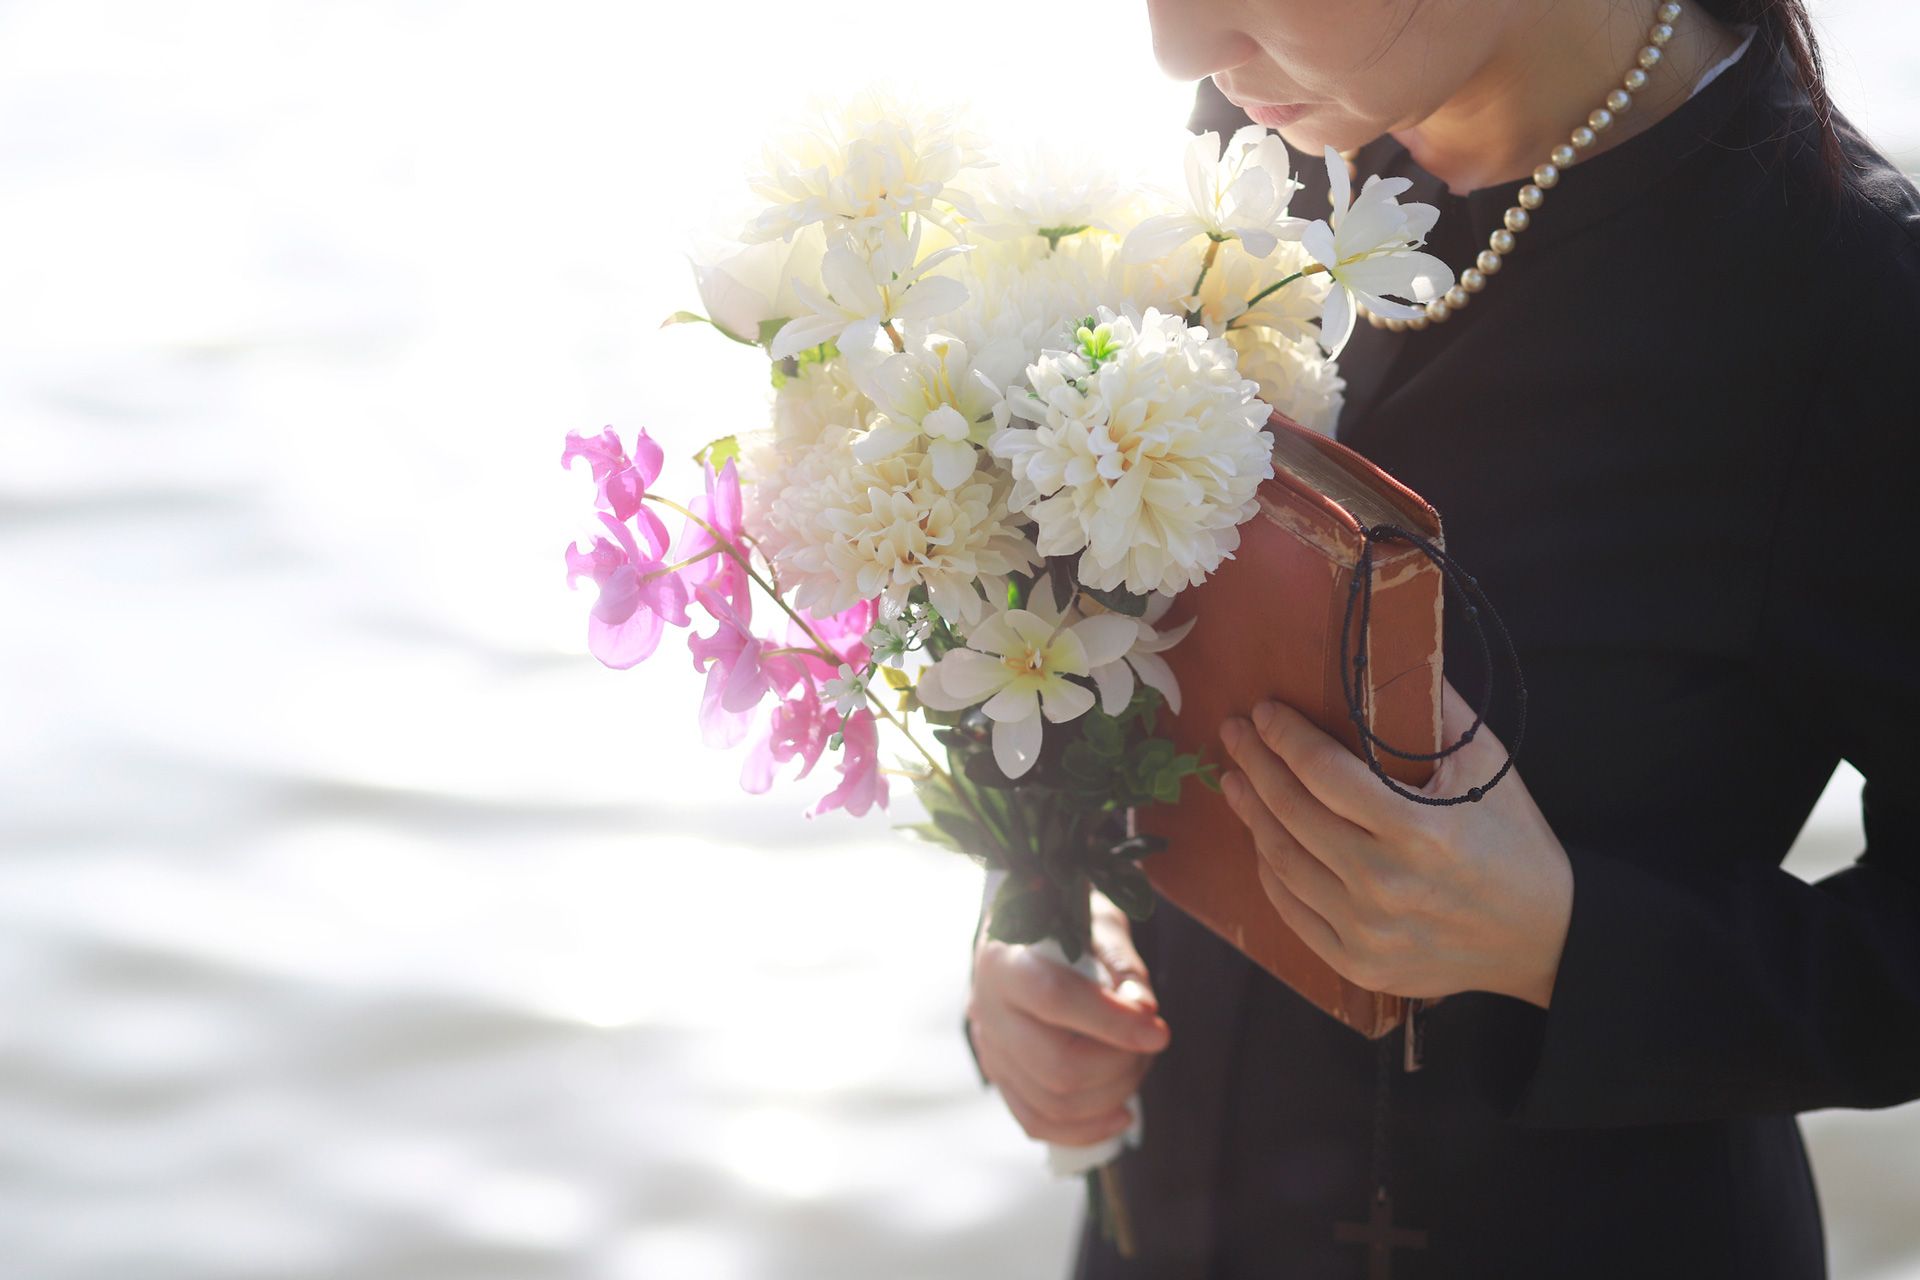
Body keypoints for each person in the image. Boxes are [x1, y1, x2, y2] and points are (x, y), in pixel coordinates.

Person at [963, 0, 1920, 1275]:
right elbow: (1091, 624)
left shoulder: (1853, 299)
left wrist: (1566, 940)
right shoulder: (1256, 149)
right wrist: (1040, 907)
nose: (1180, 46)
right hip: (1168, 1212)